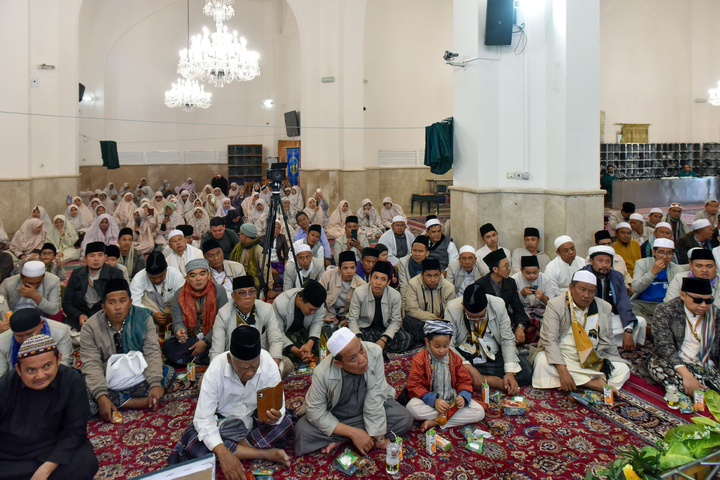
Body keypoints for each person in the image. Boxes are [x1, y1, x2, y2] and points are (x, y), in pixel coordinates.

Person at [170, 326, 292, 477]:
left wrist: (274, 418)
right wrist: (222, 453)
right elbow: (203, 420)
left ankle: (239, 450)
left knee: (285, 425)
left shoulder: (268, 363)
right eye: (243, 367)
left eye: (254, 366)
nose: (250, 372)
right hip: (223, 424)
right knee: (192, 443)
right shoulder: (215, 370)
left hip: (255, 421)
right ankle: (265, 453)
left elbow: (279, 409)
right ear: (230, 359)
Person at [294, 327, 414, 456]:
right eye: (353, 358)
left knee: (403, 417)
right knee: (302, 431)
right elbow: (316, 412)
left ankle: (341, 440)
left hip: (365, 411)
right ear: (339, 364)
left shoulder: (374, 352)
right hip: (336, 416)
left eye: (361, 350)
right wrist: (353, 433)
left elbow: (375, 396)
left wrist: (379, 437)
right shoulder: (321, 373)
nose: (362, 359)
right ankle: (355, 437)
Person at [0, 334, 99, 480]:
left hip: (55, 449)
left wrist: (46, 469)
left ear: (58, 359)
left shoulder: (71, 380)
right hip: (14, 456)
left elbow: (74, 431)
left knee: (84, 462)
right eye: (31, 370)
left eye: (47, 366)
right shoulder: (6, 385)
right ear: (19, 370)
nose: (40, 376)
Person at [80, 279, 176, 421]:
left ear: (130, 303)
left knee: (168, 372)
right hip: (108, 376)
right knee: (82, 387)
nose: (118, 307)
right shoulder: (90, 327)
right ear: (104, 306)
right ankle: (138, 402)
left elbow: (151, 352)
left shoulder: (143, 318)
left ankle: (119, 401)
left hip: (138, 373)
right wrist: (100, 395)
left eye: (122, 301)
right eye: (112, 302)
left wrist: (155, 383)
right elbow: (91, 363)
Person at [531, 270, 630, 392]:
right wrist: (563, 371)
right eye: (582, 290)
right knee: (542, 361)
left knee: (623, 369)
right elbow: (549, 340)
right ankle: (593, 384)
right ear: (571, 287)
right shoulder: (555, 305)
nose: (587, 295)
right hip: (563, 356)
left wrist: (612, 361)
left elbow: (608, 340)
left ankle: (576, 382)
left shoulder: (604, 307)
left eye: (591, 291)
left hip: (591, 358)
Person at [444, 283, 532, 393]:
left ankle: (480, 379)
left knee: (526, 372)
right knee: (444, 370)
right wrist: (470, 370)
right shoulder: (452, 309)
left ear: (487, 306)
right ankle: (491, 380)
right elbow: (448, 344)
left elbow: (507, 339)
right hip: (466, 355)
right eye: (472, 317)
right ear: (463, 305)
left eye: (480, 317)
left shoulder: (498, 305)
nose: (476, 321)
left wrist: (509, 372)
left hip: (493, 354)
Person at [406, 320, 485, 431]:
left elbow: (465, 380)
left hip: (452, 401)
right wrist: (434, 401)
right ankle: (446, 418)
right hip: (430, 402)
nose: (442, 351)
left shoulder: (455, 358)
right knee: (411, 408)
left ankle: (436, 421)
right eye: (437, 346)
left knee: (479, 412)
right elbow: (414, 385)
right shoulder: (420, 359)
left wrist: (462, 396)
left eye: (446, 346)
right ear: (427, 342)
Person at [647, 277, 720, 395]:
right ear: (682, 295)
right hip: (677, 363)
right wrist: (686, 375)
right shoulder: (666, 310)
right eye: (698, 300)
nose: (703, 305)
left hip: (707, 365)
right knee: (655, 365)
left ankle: (702, 388)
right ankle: (706, 390)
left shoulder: (715, 315)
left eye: (708, 301)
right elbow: (664, 346)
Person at [580, 246, 646, 350]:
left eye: (608, 261)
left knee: (640, 322)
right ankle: (612, 343)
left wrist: (628, 330)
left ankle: (619, 342)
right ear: (591, 261)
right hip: (588, 319)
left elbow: (623, 302)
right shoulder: (582, 275)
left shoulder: (617, 277)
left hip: (611, 318)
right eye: (600, 261)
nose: (604, 265)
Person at [209, 276, 284, 366]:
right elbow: (217, 350)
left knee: (284, 364)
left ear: (256, 294)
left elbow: (276, 340)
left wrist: (273, 366)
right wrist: (216, 371)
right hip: (234, 362)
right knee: (206, 378)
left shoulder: (266, 309)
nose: (248, 297)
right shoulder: (223, 314)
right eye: (242, 293)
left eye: (251, 292)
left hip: (260, 360)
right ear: (233, 296)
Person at [166, 259, 228, 365]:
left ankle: (193, 358)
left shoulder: (219, 291)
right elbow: (177, 320)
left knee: (226, 343)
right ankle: (201, 358)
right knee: (168, 346)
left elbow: (222, 321)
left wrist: (205, 341)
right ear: (187, 279)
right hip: (191, 337)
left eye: (202, 274)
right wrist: (180, 331)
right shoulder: (179, 294)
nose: (198, 279)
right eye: (193, 275)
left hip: (214, 336)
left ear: (209, 275)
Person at [347, 261, 412, 354]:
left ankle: (371, 348)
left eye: (383, 279)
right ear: (370, 278)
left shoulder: (395, 295)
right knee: (350, 337)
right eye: (375, 278)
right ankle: (376, 348)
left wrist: (384, 339)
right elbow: (352, 319)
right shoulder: (359, 292)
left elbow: (396, 321)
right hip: (365, 330)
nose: (378, 283)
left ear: (388, 282)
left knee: (407, 338)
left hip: (384, 330)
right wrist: (358, 337)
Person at [63, 242, 125, 329]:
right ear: (85, 258)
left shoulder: (115, 274)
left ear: (105, 257)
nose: (96, 259)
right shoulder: (77, 275)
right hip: (80, 318)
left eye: (100, 255)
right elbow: (67, 303)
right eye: (92, 256)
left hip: (105, 318)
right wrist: (79, 315)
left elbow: (121, 302)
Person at [0, 308, 73, 377]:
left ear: (41, 324)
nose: (26, 340)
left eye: (29, 334)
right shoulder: (2, 341)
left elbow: (65, 363)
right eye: (20, 336)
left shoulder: (61, 331)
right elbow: (2, 375)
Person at [273, 280, 327, 373]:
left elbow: (317, 323)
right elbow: (277, 332)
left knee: (326, 337)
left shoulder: (317, 302)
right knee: (281, 359)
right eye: (311, 310)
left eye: (315, 310)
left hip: (304, 333)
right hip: (287, 336)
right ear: (301, 300)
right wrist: (296, 351)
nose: (313, 313)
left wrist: (310, 344)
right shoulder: (280, 304)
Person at [476, 249, 529, 344]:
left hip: (506, 320)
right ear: (495, 269)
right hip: (488, 324)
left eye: (509, 265)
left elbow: (517, 307)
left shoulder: (511, 282)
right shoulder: (480, 285)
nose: (509, 269)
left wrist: (520, 326)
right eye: (505, 266)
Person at [129, 252, 185, 334]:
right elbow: (134, 303)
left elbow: (183, 298)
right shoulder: (139, 279)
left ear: (166, 269)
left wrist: (170, 315)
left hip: (172, 310)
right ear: (146, 272)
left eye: (161, 276)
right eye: (152, 278)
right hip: (149, 311)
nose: (157, 280)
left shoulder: (175, 275)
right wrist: (151, 314)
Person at [403, 258, 456, 344]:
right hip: (423, 322)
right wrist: (434, 319)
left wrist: (441, 321)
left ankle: (429, 339)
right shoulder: (413, 284)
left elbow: (451, 312)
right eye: (429, 276)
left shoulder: (449, 287)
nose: (432, 280)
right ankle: (436, 338)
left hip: (442, 323)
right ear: (422, 275)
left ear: (441, 273)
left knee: (451, 325)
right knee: (408, 320)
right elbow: (412, 310)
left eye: (436, 275)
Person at [631, 238, 683, 319]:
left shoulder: (676, 269)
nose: (665, 257)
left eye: (669, 253)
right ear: (654, 252)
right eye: (661, 252)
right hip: (642, 303)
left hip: (664, 306)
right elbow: (636, 288)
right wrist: (652, 272)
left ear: (673, 255)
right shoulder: (642, 263)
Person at [319, 251, 366, 324]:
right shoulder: (328, 275)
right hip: (327, 312)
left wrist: (348, 320)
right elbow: (318, 297)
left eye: (352, 267)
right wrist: (323, 316)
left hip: (346, 316)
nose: (349, 271)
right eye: (345, 268)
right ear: (339, 269)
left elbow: (361, 308)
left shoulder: (361, 284)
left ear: (356, 268)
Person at [511, 255, 549, 342]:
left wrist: (543, 297)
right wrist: (522, 294)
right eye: (528, 273)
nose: (532, 276)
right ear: (521, 270)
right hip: (522, 310)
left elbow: (551, 303)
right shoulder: (514, 279)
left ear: (539, 269)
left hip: (541, 309)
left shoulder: (545, 279)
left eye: (535, 273)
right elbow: (513, 303)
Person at [543, 236, 587, 300]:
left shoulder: (583, 263)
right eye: (566, 250)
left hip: (581, 298)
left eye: (572, 248)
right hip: (560, 300)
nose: (571, 252)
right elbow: (552, 291)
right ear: (558, 253)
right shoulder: (551, 268)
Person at [229, 223, 265, 289]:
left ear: (245, 236)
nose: (239, 236)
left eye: (240, 234)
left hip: (254, 282)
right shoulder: (239, 247)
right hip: (239, 278)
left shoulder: (259, 250)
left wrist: (270, 285)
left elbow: (265, 268)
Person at [398, 236, 430, 308]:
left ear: (427, 253)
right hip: (410, 298)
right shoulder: (404, 262)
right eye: (415, 250)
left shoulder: (431, 265)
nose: (417, 254)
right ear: (411, 251)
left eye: (421, 251)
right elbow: (404, 286)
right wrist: (405, 307)